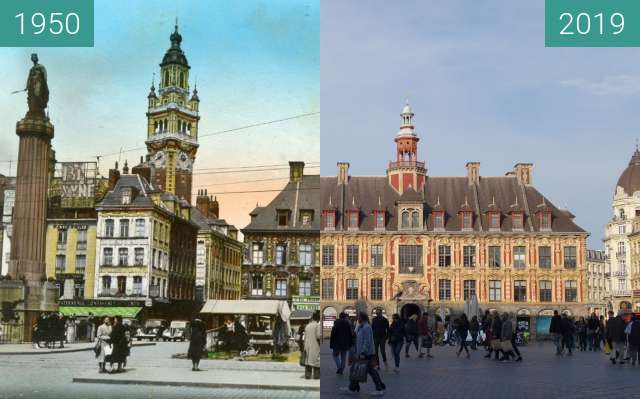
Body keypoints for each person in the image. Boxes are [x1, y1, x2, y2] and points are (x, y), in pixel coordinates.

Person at [340, 312, 385, 396]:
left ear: (362, 318)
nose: (357, 319)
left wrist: (363, 352)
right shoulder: (361, 327)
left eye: (359, 318)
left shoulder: (366, 327)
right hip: (361, 353)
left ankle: (379, 389)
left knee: (369, 371)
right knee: (356, 369)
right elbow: (358, 339)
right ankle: (353, 388)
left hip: (366, 353)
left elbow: (367, 341)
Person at [303, 311, 321, 380]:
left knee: (308, 361)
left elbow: (305, 337)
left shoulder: (308, 325)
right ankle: (316, 375)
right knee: (316, 361)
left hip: (307, 346)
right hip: (315, 345)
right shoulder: (317, 325)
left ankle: (307, 375)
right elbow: (318, 336)